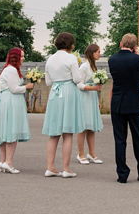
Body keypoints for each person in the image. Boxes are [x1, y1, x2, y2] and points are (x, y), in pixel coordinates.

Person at [42, 32, 86, 178]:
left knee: (53, 133)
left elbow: (48, 82)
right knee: (67, 132)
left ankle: (50, 167)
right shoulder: (71, 58)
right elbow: (77, 78)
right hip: (68, 92)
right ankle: (66, 169)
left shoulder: (49, 59)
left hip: (55, 93)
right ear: (70, 44)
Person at [108, 33, 139, 183]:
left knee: (120, 140)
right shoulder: (137, 59)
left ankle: (122, 174)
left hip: (118, 103)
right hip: (135, 103)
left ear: (121, 43)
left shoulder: (112, 60)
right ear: (134, 47)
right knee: (138, 137)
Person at [0, 47, 34, 174]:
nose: (23, 58)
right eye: (21, 56)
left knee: (5, 131)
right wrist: (27, 87)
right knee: (11, 130)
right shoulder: (11, 70)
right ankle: (9, 162)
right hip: (11, 102)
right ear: (15, 57)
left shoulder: (7, 69)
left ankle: (3, 160)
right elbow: (14, 89)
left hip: (5, 101)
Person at [76, 43, 104, 165]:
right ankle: (80, 154)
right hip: (84, 99)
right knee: (83, 127)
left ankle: (91, 154)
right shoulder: (84, 67)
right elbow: (79, 84)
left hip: (92, 98)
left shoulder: (94, 67)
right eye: (98, 51)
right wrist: (93, 89)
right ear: (92, 53)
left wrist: (97, 100)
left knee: (91, 128)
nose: (100, 53)